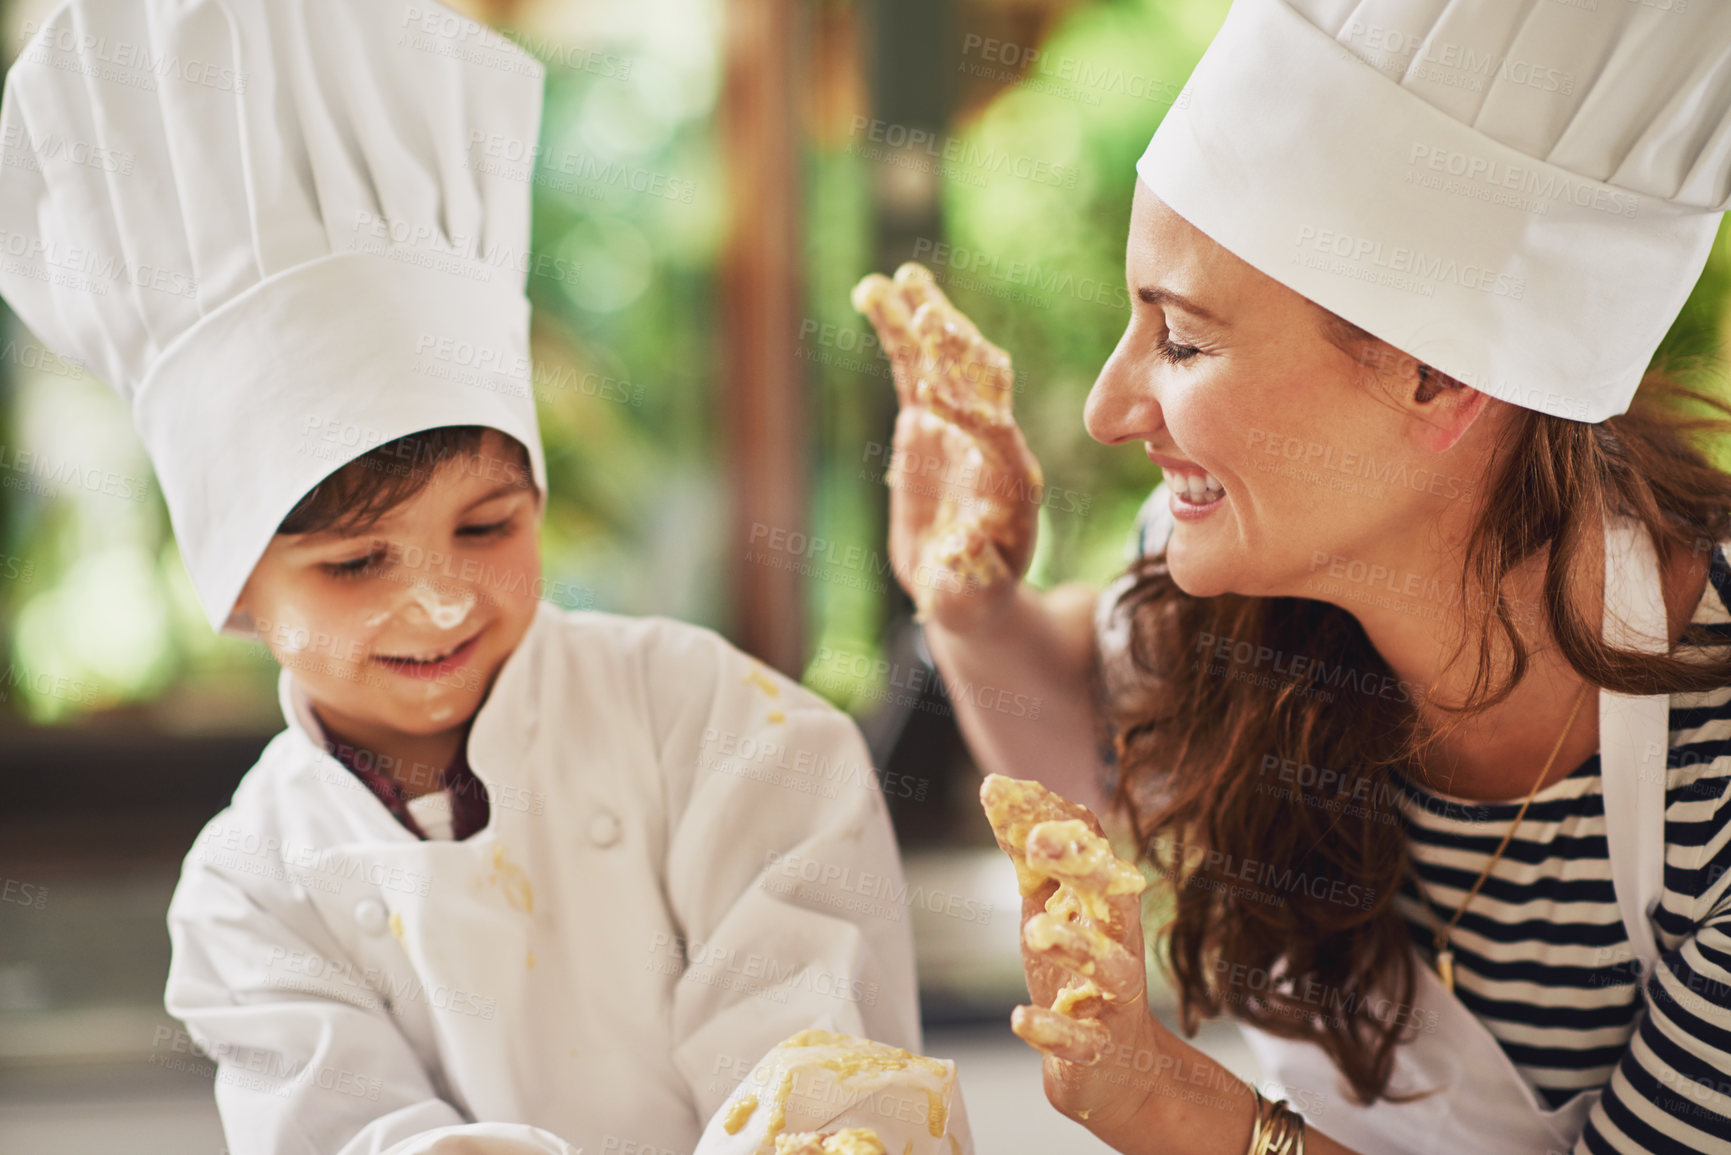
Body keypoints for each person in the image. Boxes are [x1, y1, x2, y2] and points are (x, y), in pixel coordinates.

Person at [0, 1, 934, 1152]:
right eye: (354, 564)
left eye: (488, 528)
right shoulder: (251, 892)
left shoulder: (731, 737)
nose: (440, 600)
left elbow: (828, 1093)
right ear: (235, 590)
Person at [867, 0, 1731, 1152]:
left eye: (1181, 340)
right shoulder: (1227, 586)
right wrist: (969, 604)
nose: (1108, 408)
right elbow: (1094, 759)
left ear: (1437, 379)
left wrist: (1175, 1106)